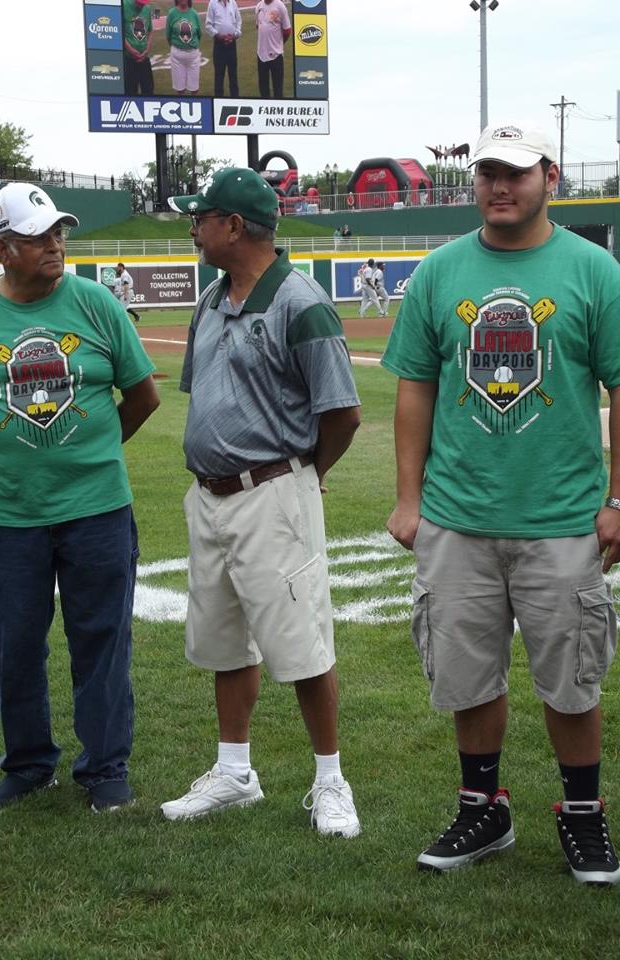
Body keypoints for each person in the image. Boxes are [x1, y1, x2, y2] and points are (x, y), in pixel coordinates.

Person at [382, 122, 620, 885]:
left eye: (515, 172)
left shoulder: (594, 270)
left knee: (570, 677)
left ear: (549, 176)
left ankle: (583, 815)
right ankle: (483, 807)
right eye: (487, 172)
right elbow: (415, 388)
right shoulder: (440, 272)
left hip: (562, 519)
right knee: (467, 672)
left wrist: (618, 497)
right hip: (458, 518)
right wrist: (409, 499)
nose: (499, 185)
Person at [161, 167, 362, 837]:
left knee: (303, 646)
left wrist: (308, 474)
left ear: (234, 226)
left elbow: (342, 413)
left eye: (202, 217)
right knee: (224, 641)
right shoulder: (211, 299)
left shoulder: (301, 302)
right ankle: (234, 771)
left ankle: (331, 781)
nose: (193, 227)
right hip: (209, 495)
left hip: (273, 490)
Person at [0, 182, 159, 813]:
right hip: (6, 515)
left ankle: (105, 767)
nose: (55, 244)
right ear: (3, 249)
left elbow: (142, 397)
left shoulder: (96, 304)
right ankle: (28, 765)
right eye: (38, 237)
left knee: (102, 638)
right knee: (14, 644)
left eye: (58, 232)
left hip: (96, 509)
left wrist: (94, 453)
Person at [205, 0, 242, 98]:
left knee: (233, 76)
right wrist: (218, 35)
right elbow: (208, 25)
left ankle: (235, 100)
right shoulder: (213, 3)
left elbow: (238, 21)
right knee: (219, 76)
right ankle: (218, 101)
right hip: (219, 45)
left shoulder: (233, 3)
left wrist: (235, 35)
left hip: (232, 45)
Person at [255, 0, 291, 99]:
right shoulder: (258, 7)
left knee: (278, 90)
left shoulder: (280, 6)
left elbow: (287, 30)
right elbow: (259, 26)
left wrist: (279, 44)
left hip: (276, 55)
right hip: (261, 55)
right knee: (263, 89)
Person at [166, 0, 202, 96]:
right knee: (180, 89)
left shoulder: (194, 13)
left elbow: (199, 34)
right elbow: (168, 35)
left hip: (193, 54)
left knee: (194, 89)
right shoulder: (172, 13)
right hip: (177, 54)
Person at [123, 0, 154, 96]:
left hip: (144, 58)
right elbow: (118, 31)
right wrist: (130, 49)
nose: (141, 6)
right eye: (139, 3)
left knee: (148, 89)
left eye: (143, 3)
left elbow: (150, 31)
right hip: (128, 59)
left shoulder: (147, 8)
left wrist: (147, 49)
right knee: (130, 91)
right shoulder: (123, 6)